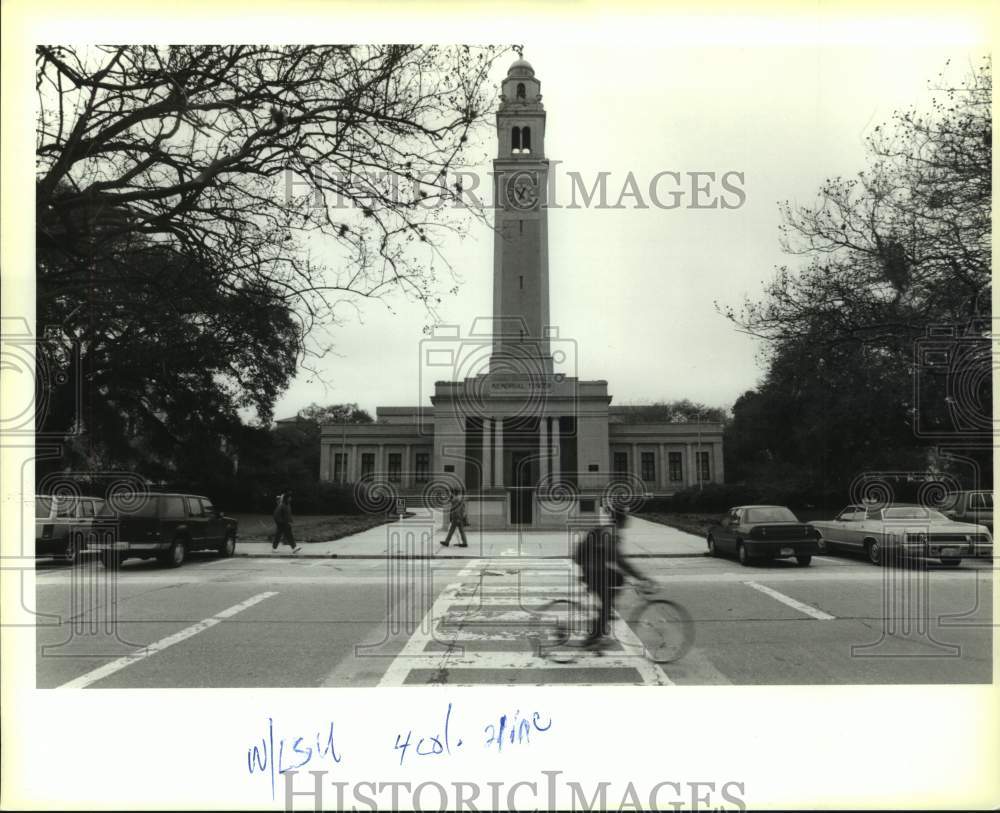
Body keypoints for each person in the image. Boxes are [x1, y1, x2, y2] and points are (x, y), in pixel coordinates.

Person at [573, 502, 652, 648]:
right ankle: (594, 636)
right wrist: (640, 577)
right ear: (622, 518)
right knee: (609, 597)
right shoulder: (612, 533)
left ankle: (604, 616)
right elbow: (618, 560)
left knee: (618, 579)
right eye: (627, 517)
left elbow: (611, 558)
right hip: (593, 571)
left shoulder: (608, 529)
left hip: (591, 569)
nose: (629, 519)